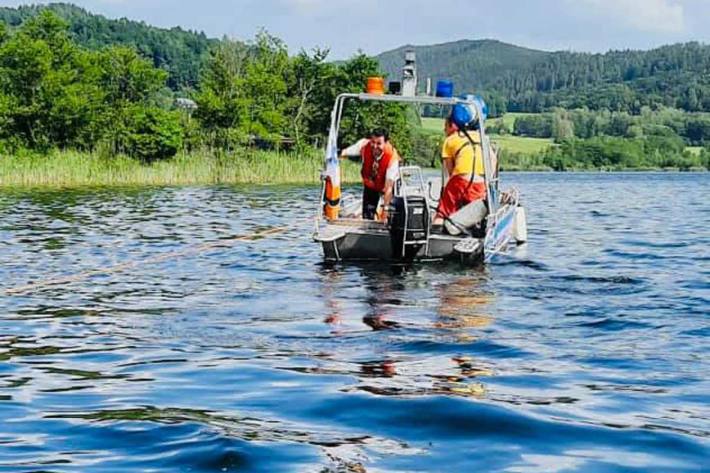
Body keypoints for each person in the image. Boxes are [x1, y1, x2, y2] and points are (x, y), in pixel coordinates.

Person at [433, 116, 487, 225]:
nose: (444, 130)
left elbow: (450, 172)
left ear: (453, 126)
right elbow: (493, 161)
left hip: (460, 180)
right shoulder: (482, 138)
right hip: (480, 182)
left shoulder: (450, 140)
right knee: (475, 211)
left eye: (446, 127)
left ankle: (436, 230)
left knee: (442, 213)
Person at [340, 129, 400, 220]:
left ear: (386, 143)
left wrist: (386, 209)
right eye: (373, 142)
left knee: (391, 215)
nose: (375, 146)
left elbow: (389, 188)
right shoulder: (364, 145)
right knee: (367, 215)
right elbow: (346, 152)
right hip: (372, 184)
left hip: (389, 186)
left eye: (379, 143)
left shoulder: (392, 158)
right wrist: (339, 155)